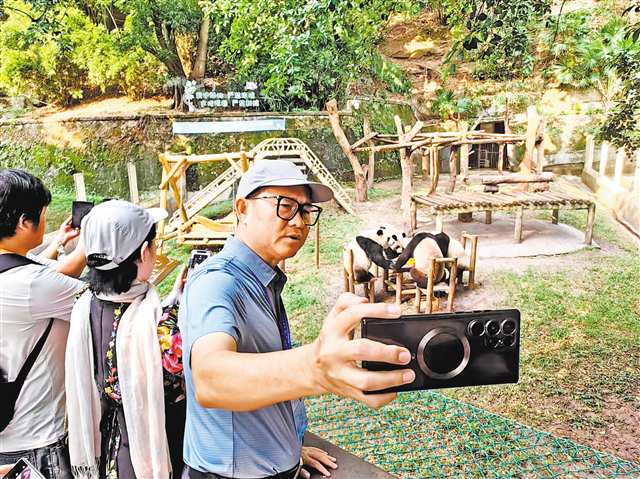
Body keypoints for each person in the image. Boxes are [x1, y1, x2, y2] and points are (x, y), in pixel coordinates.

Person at [180, 160, 416, 479]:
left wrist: (288, 448)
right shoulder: (216, 282)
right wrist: (315, 370)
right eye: (285, 205)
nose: (299, 221)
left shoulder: (263, 279)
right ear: (242, 208)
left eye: (305, 211)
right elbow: (211, 380)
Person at [64, 200, 186, 479]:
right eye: (155, 246)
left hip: (111, 447)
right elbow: (177, 360)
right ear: (144, 253)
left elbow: (127, 330)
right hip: (158, 450)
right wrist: (182, 306)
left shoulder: (85, 305)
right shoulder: (159, 326)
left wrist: (173, 299)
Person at [0, 169, 87, 479]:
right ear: (24, 222)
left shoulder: (23, 276)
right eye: (43, 215)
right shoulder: (32, 286)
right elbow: (98, 299)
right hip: (36, 443)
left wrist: (60, 244)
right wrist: (97, 242)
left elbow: (38, 269)